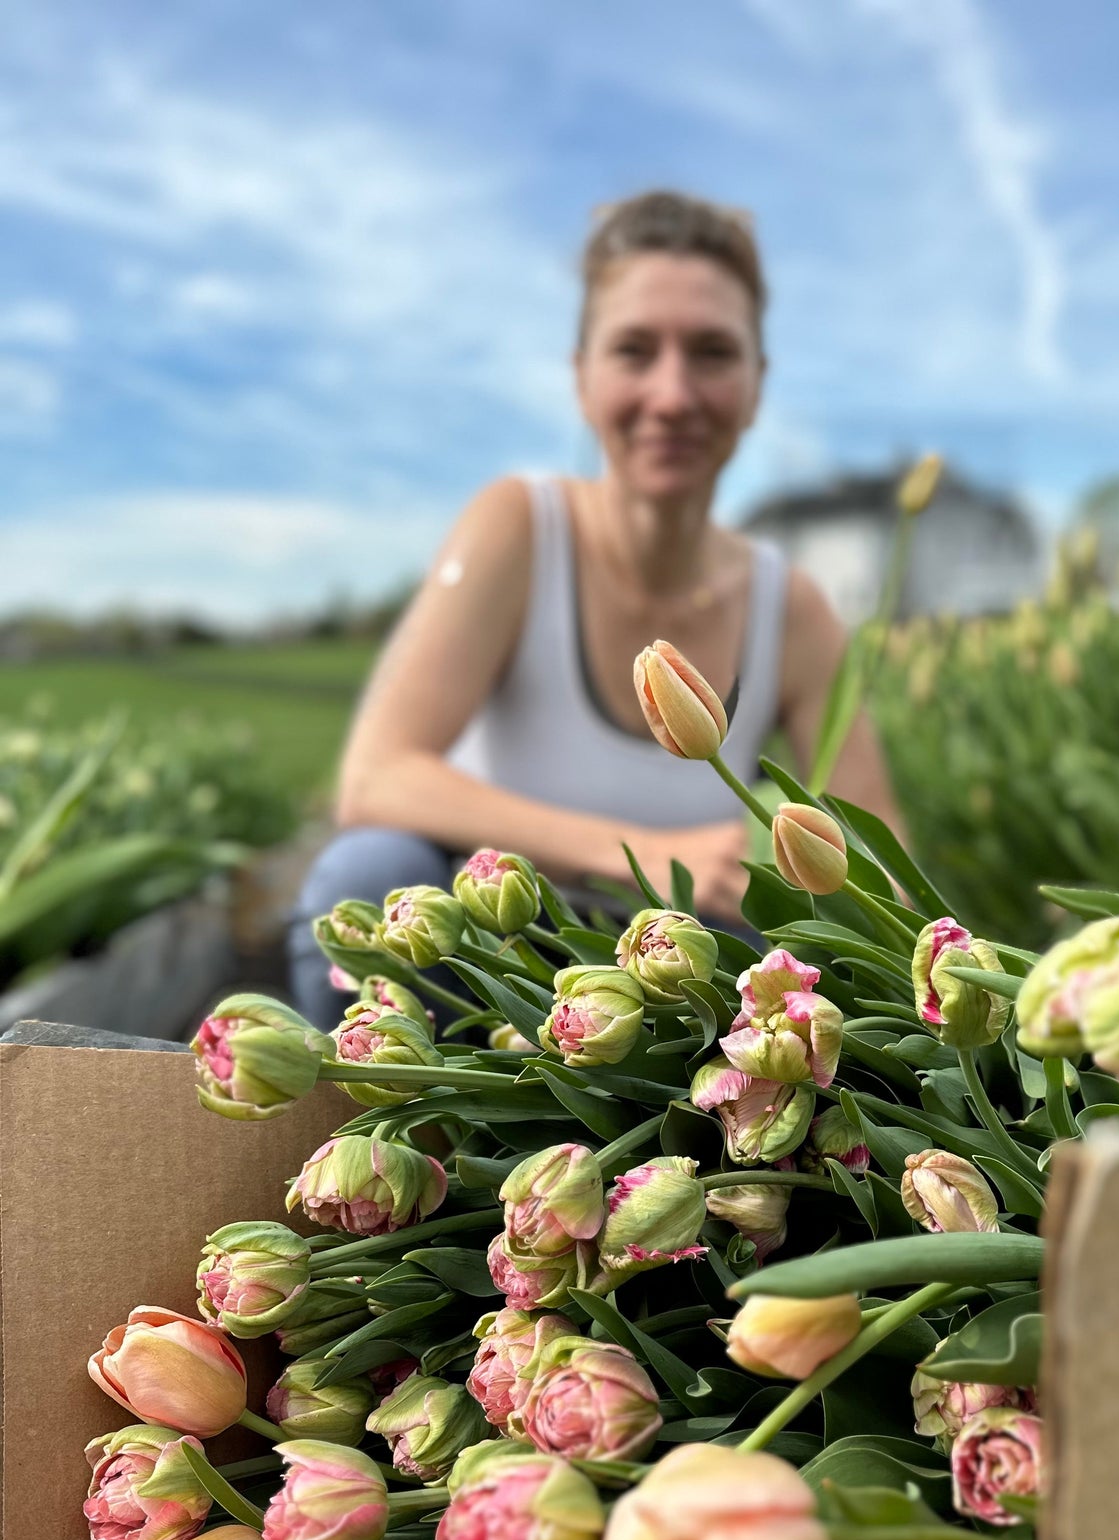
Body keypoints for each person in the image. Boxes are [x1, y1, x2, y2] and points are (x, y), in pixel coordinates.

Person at [289, 188, 897, 1026]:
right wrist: (646, 856)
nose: (673, 394)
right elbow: (376, 776)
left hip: (689, 983)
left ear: (757, 385)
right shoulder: (520, 529)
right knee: (369, 874)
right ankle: (392, 1144)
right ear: (581, 378)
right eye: (634, 350)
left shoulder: (789, 608)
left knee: (815, 964)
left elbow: (877, 856)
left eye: (714, 353)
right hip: (498, 959)